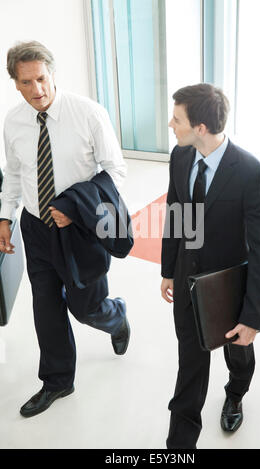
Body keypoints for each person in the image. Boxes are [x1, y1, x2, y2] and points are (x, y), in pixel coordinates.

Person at [0, 41, 130, 418]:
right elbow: (14, 174)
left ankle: (115, 316)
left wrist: (76, 209)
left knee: (84, 307)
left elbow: (116, 170)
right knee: (46, 306)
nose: (37, 90)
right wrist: (6, 217)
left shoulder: (88, 113)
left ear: (52, 73)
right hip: (36, 229)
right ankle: (57, 381)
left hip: (81, 231)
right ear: (16, 83)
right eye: (27, 82)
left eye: (41, 78)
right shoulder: (14, 121)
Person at [161, 83, 260, 449]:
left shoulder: (250, 172)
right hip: (187, 278)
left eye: (177, 119)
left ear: (200, 128)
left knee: (238, 352)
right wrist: (168, 269)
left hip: (230, 287)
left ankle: (236, 392)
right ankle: (180, 446)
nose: (170, 124)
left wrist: (252, 316)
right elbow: (176, 215)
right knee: (190, 363)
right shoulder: (181, 157)